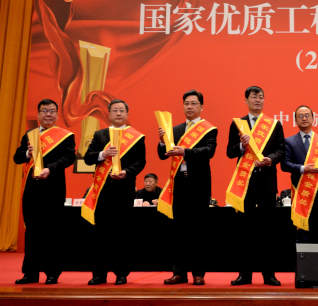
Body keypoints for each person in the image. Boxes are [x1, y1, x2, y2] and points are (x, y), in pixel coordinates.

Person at [226, 86, 285, 286]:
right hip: (245, 184)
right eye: (254, 97)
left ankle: (269, 275)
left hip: (267, 183)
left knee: (268, 231)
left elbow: (281, 150)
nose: (258, 100)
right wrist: (242, 146)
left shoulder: (274, 124)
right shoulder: (238, 124)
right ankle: (245, 275)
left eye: (261, 97)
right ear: (246, 100)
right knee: (244, 231)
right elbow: (229, 152)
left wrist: (270, 159)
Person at [13, 99, 76, 284]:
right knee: (32, 231)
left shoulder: (65, 136)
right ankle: (30, 273)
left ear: (57, 114)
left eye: (52, 111)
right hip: (31, 189)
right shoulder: (29, 135)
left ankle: (52, 273)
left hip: (53, 188)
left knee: (52, 231)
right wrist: (28, 153)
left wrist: (50, 168)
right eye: (44, 111)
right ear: (38, 114)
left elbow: (69, 157)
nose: (48, 114)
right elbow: (17, 157)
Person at [83, 99, 146, 285]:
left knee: (122, 232)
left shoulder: (136, 137)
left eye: (122, 110)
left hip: (124, 189)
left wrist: (127, 172)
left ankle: (121, 273)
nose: (118, 113)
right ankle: (99, 274)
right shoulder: (100, 135)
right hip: (102, 190)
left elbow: (140, 161)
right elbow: (88, 158)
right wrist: (103, 155)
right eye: (115, 110)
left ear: (127, 114)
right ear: (109, 114)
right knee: (99, 233)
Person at [158, 89, 217, 286]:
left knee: (198, 231)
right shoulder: (174, 130)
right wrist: (162, 142)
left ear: (201, 106)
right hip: (179, 185)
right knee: (179, 231)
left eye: (193, 103)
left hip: (199, 185)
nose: (189, 107)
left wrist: (185, 151)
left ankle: (198, 273)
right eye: (186, 104)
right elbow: (162, 154)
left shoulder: (209, 129)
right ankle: (179, 273)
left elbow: (208, 151)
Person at [281, 105, 318, 243]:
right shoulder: (289, 141)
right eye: (300, 116)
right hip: (302, 193)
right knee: (303, 235)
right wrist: (303, 168)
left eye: (307, 115)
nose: (304, 118)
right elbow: (284, 165)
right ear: (295, 121)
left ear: (313, 118)